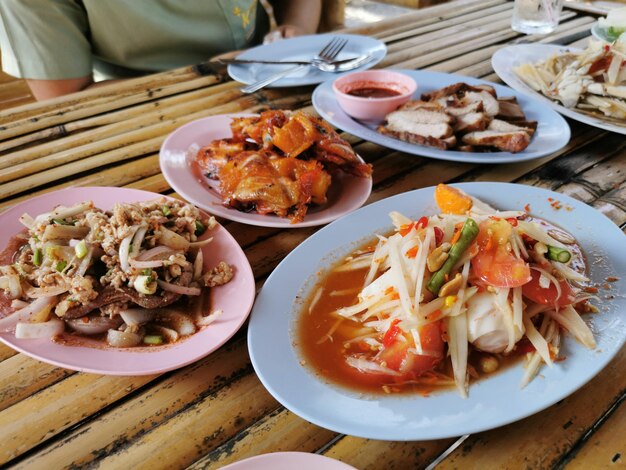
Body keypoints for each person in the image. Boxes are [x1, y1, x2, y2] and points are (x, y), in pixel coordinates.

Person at [0, 0, 321, 100]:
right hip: (145, 102)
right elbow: (66, 98)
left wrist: (297, 30)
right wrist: (211, 73)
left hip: (287, 75)